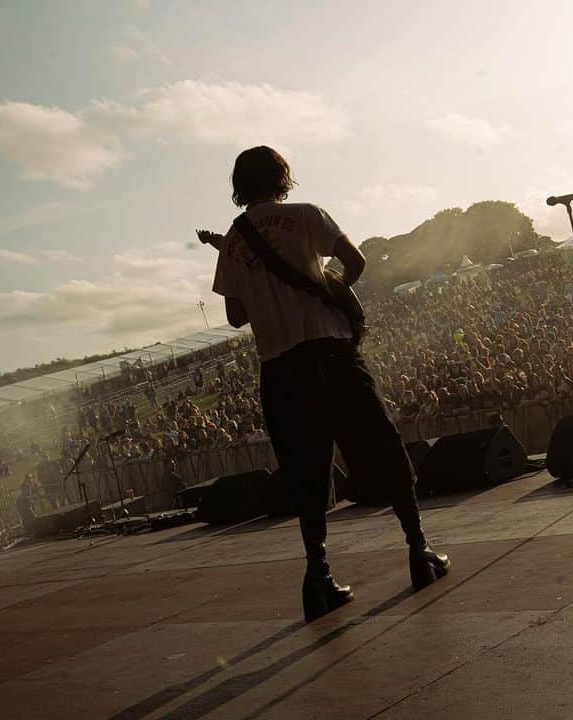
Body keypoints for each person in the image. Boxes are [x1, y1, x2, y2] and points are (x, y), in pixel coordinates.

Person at [211, 146, 449, 622]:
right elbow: (356, 262)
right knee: (383, 447)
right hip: (330, 355)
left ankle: (318, 575)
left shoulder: (234, 242)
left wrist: (263, 292)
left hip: (279, 369)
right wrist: (328, 285)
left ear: (240, 186)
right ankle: (417, 549)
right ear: (282, 177)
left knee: (306, 473)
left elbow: (236, 316)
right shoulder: (306, 215)